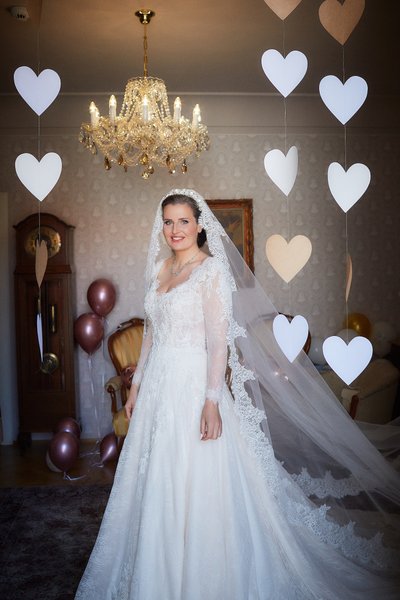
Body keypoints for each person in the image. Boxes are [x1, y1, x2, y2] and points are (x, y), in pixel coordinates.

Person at [75, 189, 400, 600]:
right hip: (158, 387)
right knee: (155, 475)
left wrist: (212, 400)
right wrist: (137, 386)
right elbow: (153, 333)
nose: (175, 230)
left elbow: (218, 342)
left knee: (199, 477)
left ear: (199, 226)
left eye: (183, 221)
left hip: (194, 386)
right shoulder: (159, 271)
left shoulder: (210, 272)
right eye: (168, 222)